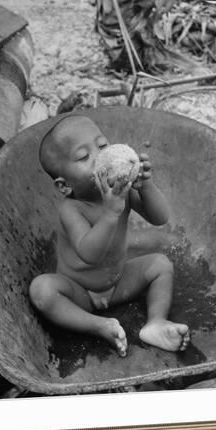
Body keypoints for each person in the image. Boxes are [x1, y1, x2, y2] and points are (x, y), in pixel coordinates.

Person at [29, 114, 190, 357]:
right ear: (65, 186)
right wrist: (110, 213)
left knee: (161, 264)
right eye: (84, 157)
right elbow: (89, 253)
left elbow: (160, 218)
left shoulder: (121, 191)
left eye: (103, 146)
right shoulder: (72, 209)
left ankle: (156, 323)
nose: (100, 157)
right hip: (79, 291)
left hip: (119, 282)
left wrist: (146, 187)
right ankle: (99, 326)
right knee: (42, 290)